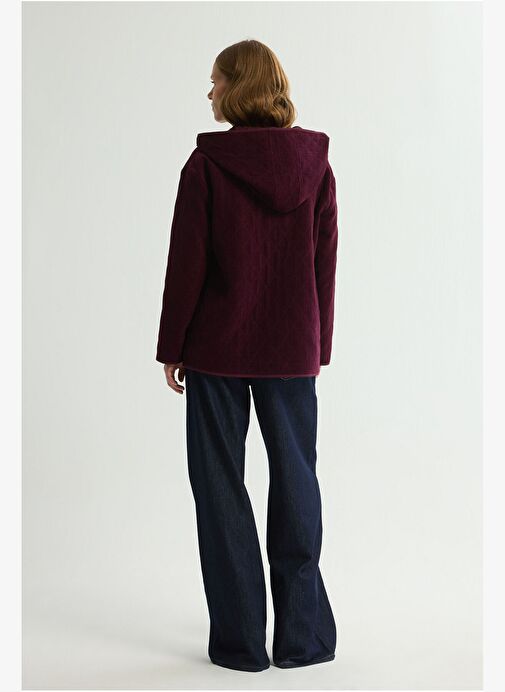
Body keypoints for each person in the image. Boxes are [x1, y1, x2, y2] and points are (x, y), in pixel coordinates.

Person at [156, 39, 339, 672]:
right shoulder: (315, 165)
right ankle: (303, 640)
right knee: (297, 482)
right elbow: (323, 261)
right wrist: (319, 342)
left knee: (219, 489)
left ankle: (240, 645)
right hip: (292, 349)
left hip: (217, 348)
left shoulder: (206, 165)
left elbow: (187, 264)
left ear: (239, 87)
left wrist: (172, 345)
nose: (209, 92)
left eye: (215, 81)